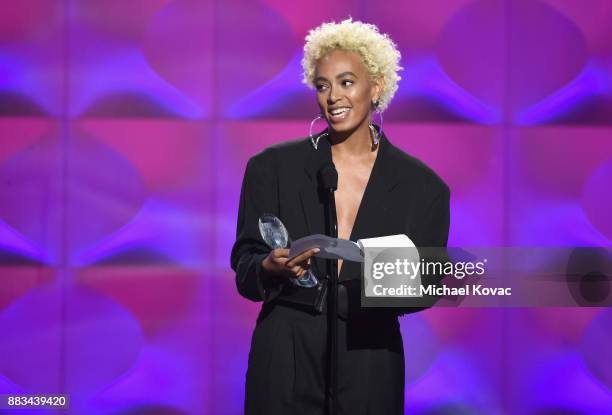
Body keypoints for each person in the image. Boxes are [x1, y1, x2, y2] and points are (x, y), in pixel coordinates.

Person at [230, 18, 450, 415]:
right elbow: (244, 269)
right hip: (286, 358)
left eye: (346, 82)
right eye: (323, 84)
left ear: (376, 86)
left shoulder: (423, 186)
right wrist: (268, 266)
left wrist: (368, 269)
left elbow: (430, 281)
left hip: (368, 360)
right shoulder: (271, 169)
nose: (333, 97)